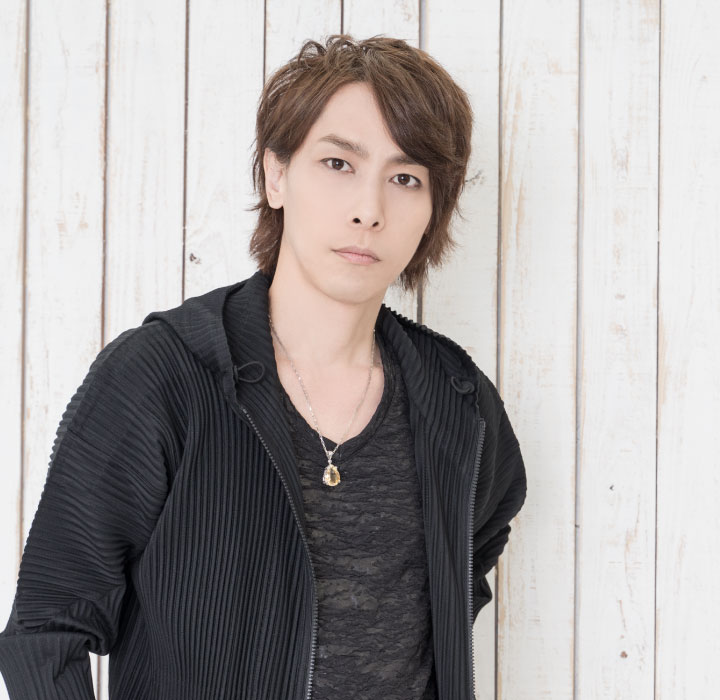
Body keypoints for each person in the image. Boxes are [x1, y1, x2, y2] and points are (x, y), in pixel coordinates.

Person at [0, 34, 527, 700]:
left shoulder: (455, 396)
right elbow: (47, 630)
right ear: (277, 176)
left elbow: (480, 535)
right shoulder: (162, 377)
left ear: (431, 210)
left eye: (405, 178)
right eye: (338, 163)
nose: (369, 210)